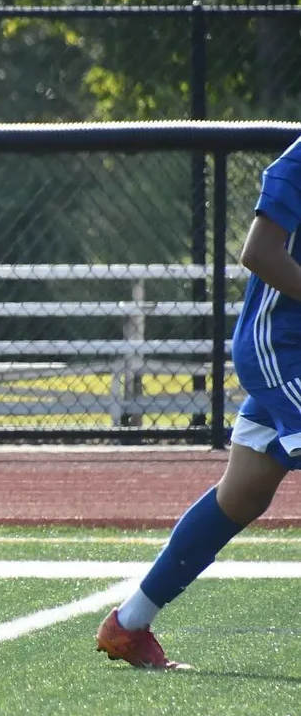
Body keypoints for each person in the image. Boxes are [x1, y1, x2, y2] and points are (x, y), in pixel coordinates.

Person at [96, 136, 301, 670]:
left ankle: (129, 624)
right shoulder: (300, 161)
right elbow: (258, 253)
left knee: (244, 495)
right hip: (282, 348)